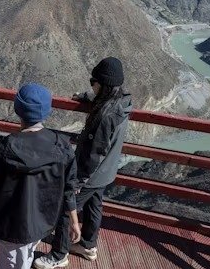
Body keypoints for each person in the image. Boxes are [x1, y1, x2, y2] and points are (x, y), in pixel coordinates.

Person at [0, 83, 81, 269]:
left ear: (18, 110)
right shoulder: (62, 148)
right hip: (41, 222)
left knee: (10, 262)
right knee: (26, 253)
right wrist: (74, 221)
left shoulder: (2, 151)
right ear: (46, 111)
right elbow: (69, 188)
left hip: (8, 223)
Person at [33, 57, 132, 268]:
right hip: (107, 171)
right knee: (95, 205)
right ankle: (88, 245)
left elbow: (94, 153)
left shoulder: (106, 116)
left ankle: (59, 255)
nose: (91, 84)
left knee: (65, 210)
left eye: (92, 82)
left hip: (92, 173)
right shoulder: (121, 102)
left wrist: (79, 181)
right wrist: (86, 96)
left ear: (103, 86)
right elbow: (101, 99)